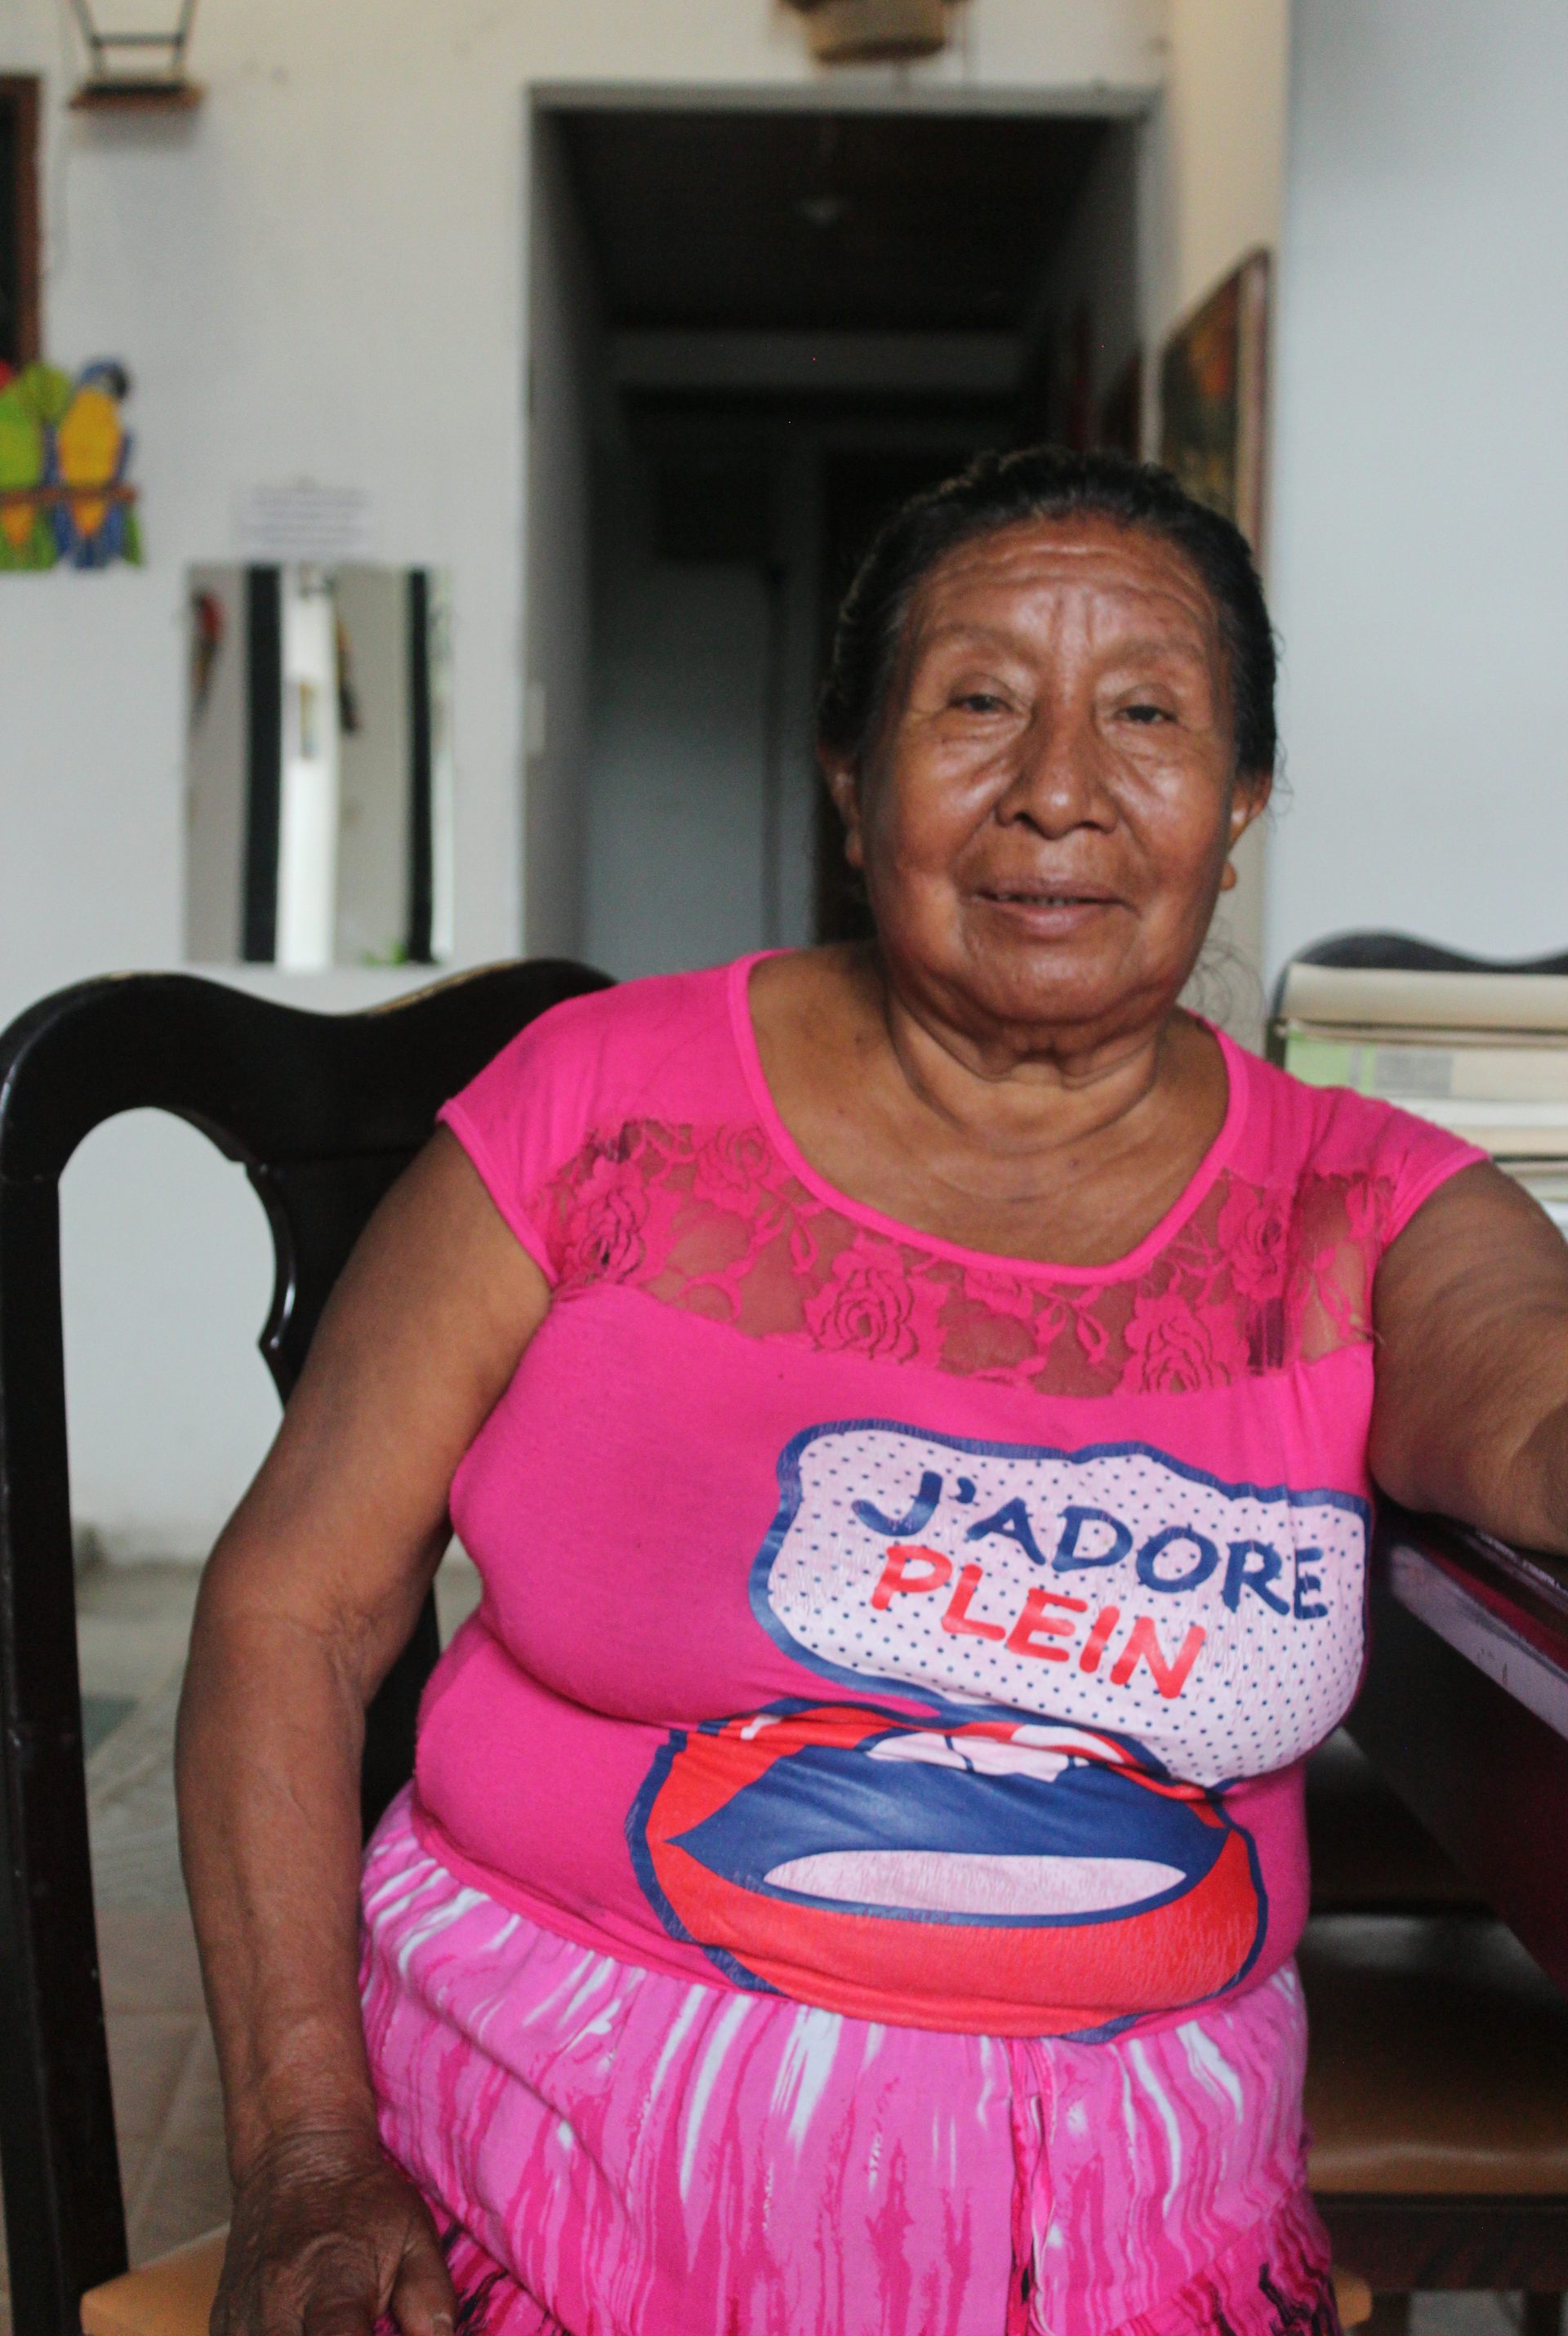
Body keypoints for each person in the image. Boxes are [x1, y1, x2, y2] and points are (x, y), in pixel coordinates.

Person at [178, 446, 1568, 2336]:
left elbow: (1537, 1418)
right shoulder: (600, 1103)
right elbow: (292, 1606)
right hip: (544, 2174)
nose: (1059, 788)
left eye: (1147, 714)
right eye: (978, 702)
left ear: (1240, 804)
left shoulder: (1366, 1203)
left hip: (1131, 2244)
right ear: (850, 778)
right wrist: (301, 2145)